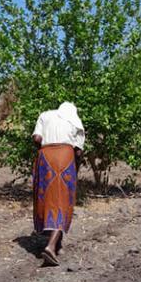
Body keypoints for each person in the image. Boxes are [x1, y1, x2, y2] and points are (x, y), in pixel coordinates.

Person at [32, 102, 85, 266]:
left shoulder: (45, 114)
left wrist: (46, 148)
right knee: (62, 201)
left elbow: (37, 138)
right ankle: (51, 246)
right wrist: (76, 164)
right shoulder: (74, 120)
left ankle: (57, 244)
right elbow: (78, 151)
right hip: (64, 157)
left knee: (47, 199)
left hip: (45, 157)